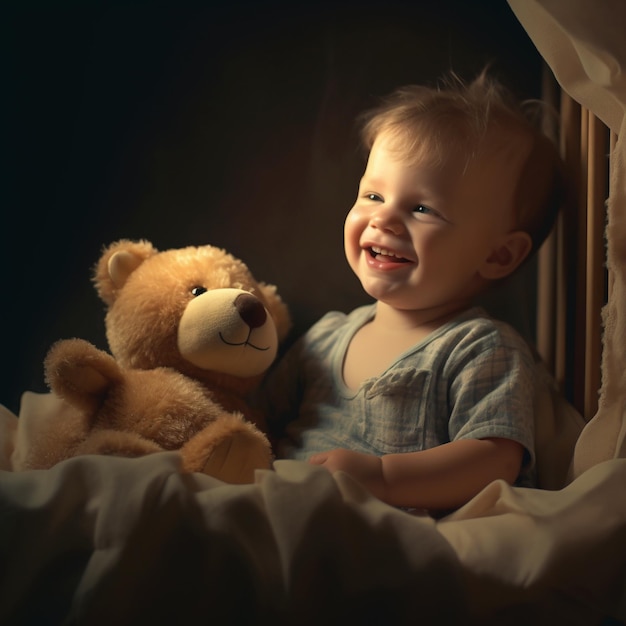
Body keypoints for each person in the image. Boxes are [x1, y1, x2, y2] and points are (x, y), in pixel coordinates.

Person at [260, 71, 566, 513]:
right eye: (373, 195)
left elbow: (495, 457)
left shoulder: (480, 348)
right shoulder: (325, 338)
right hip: (284, 503)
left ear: (498, 255)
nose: (383, 220)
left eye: (422, 208)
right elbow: (257, 418)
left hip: (377, 532)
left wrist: (385, 479)